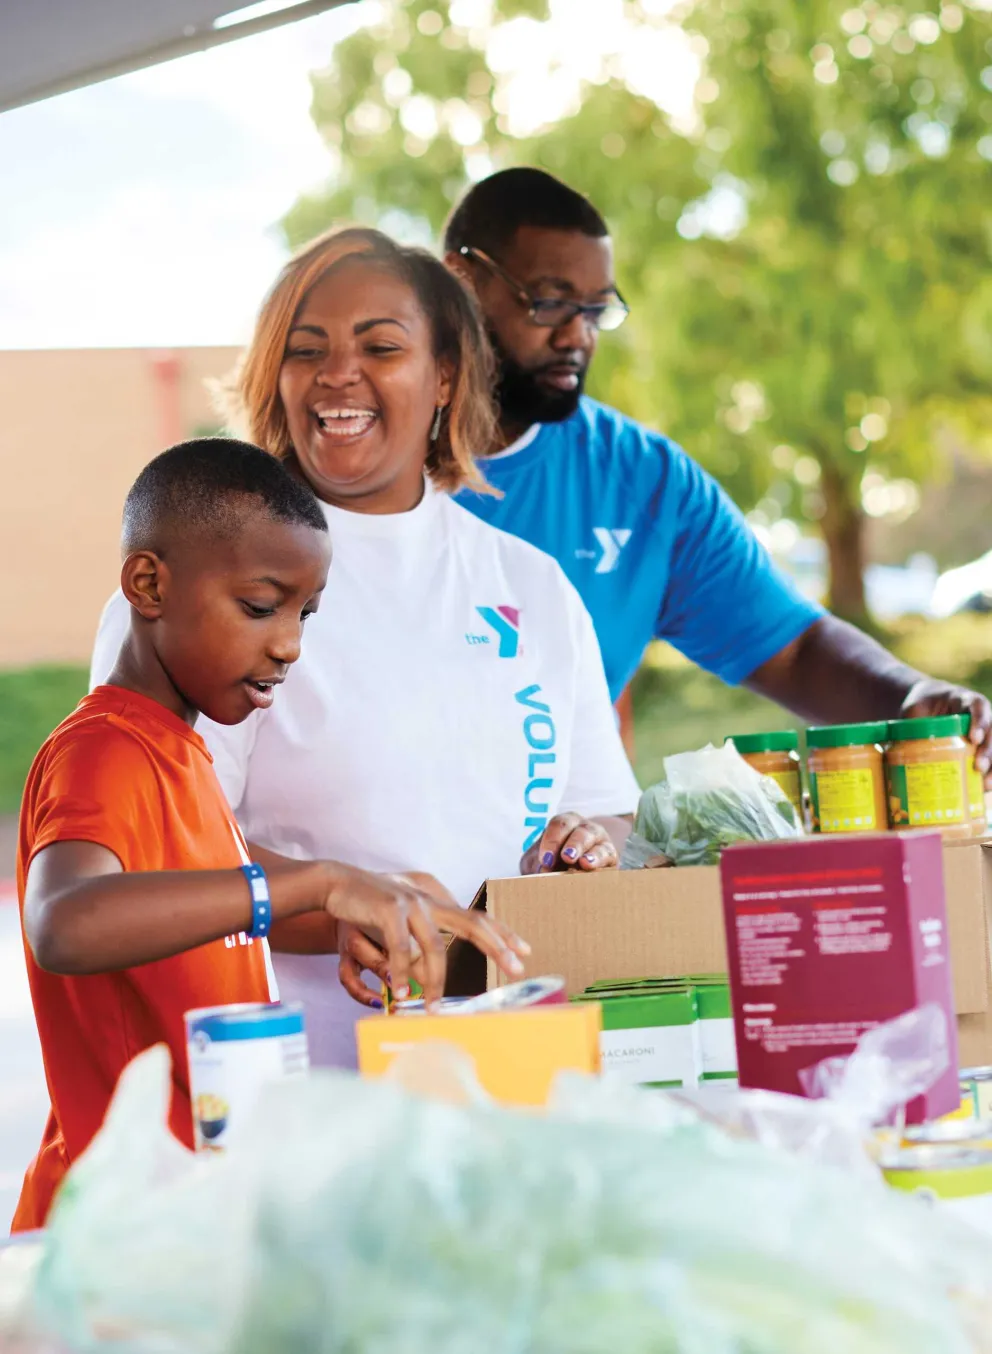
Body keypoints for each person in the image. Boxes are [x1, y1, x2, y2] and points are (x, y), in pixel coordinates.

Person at [90, 230, 639, 1067]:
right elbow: (160, 859)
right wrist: (343, 906)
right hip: (287, 1083)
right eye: (306, 350)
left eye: (380, 347)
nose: (338, 374)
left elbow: (605, 804)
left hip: (505, 1067)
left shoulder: (531, 585)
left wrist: (585, 843)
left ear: (446, 375)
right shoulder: (199, 588)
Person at [17, 438, 527, 1233]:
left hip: (197, 1217)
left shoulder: (182, 753)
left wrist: (347, 915)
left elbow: (210, 893)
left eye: (305, 614)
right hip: (118, 1233)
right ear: (148, 585)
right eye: (260, 608)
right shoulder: (103, 752)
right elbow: (64, 923)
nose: (289, 645)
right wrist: (321, 881)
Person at [444, 167, 992, 773]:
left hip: (567, 831)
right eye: (549, 303)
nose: (578, 336)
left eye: (596, 311)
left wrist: (910, 695)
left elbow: (792, 648)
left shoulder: (642, 481)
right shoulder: (375, 457)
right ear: (458, 281)